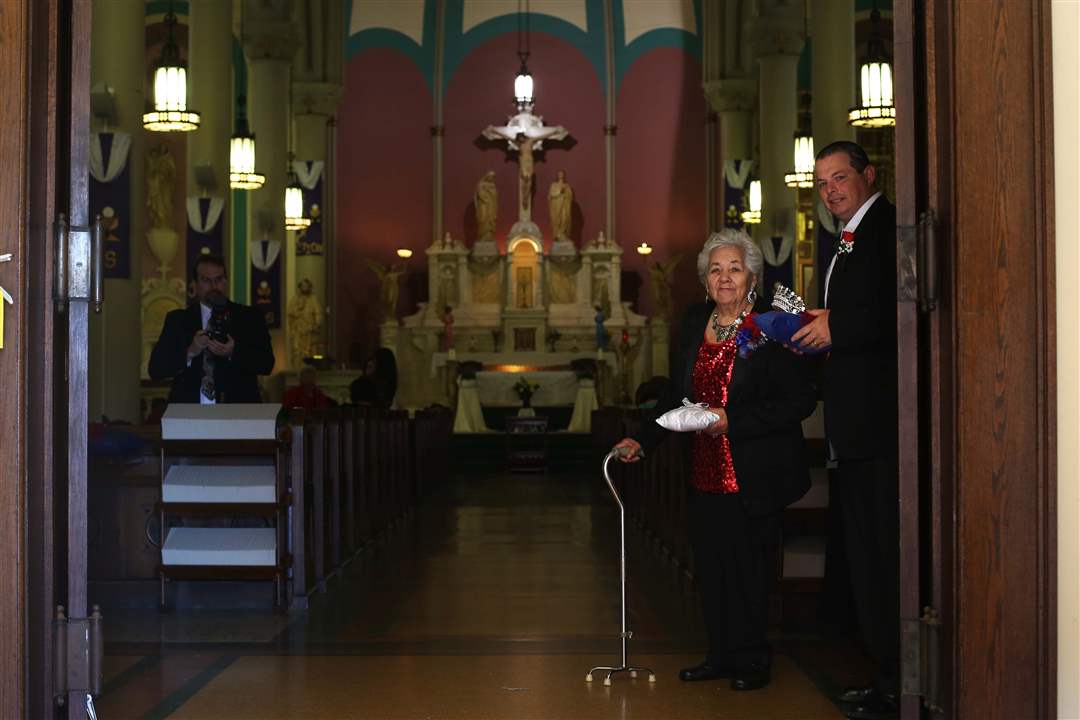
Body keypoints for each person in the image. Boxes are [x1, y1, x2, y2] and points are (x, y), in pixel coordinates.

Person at [613, 229, 815, 692]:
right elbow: (673, 394)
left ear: (752, 278)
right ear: (705, 281)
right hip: (703, 467)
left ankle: (753, 657)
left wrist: (733, 420)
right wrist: (643, 440)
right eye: (715, 270)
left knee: (752, 568)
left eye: (735, 269)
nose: (724, 278)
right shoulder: (693, 321)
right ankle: (720, 654)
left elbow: (798, 401)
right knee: (713, 565)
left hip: (756, 469)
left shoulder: (772, 325)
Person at [792, 140, 899, 719]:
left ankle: (896, 681)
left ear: (867, 175)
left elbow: (894, 311)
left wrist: (837, 326)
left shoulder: (885, 227)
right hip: (854, 426)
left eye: (839, 177)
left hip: (879, 425)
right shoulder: (846, 238)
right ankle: (883, 675)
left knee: (882, 553)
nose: (831, 189)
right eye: (823, 182)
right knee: (863, 553)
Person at [149, 254, 275, 404]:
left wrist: (234, 352)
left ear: (226, 281)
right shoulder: (178, 320)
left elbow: (267, 364)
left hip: (237, 412)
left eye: (219, 279)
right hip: (190, 414)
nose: (214, 286)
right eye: (206, 280)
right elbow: (156, 369)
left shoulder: (250, 318)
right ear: (194, 285)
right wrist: (190, 352)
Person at [548, 169, 573, 239]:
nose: (560, 175)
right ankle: (558, 234)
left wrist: (565, 195)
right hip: (557, 206)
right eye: (559, 173)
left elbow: (570, 196)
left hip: (565, 206)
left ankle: (563, 233)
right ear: (557, 175)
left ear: (564, 175)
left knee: (565, 218)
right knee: (557, 220)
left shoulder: (567, 186)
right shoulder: (554, 185)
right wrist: (559, 192)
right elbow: (551, 195)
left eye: (562, 174)